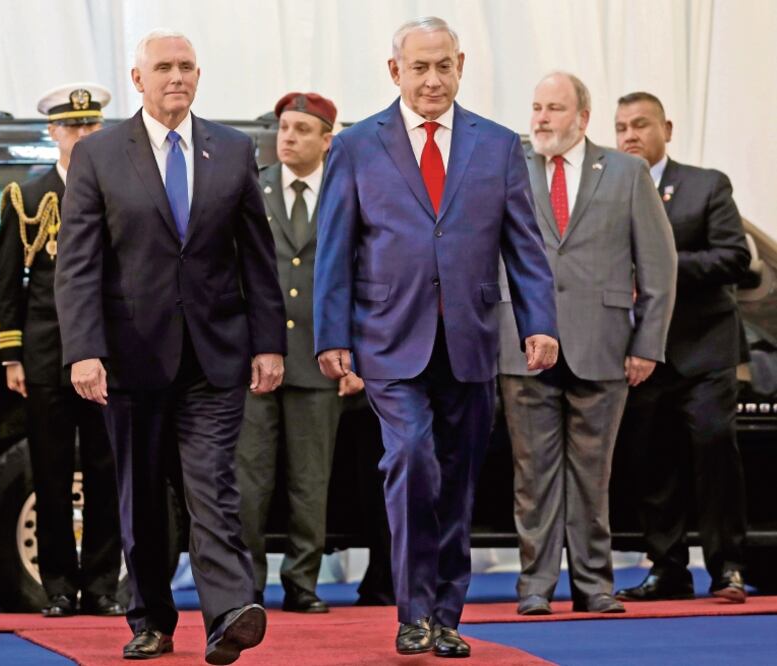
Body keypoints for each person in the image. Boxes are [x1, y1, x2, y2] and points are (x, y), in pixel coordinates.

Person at [313, 17, 559, 658]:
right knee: (411, 458)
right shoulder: (356, 146)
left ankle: (446, 616)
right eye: (418, 67)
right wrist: (331, 334)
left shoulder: (499, 146)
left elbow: (525, 249)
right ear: (395, 71)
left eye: (443, 65)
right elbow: (334, 250)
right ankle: (411, 609)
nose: (432, 79)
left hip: (471, 339)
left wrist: (539, 325)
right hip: (389, 339)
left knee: (458, 480)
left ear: (461, 65)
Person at [54, 30, 286, 664]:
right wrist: (83, 349)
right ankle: (151, 619)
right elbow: (77, 265)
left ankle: (228, 613)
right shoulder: (99, 154)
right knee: (142, 496)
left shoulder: (234, 150)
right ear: (138, 79)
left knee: (212, 484)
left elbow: (258, 259)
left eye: (186, 66)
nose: (176, 77)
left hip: (215, 355)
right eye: (163, 67)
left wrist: (269, 343)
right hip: (130, 357)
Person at [496, 73, 677, 617]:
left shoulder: (626, 171)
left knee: (594, 475)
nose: (542, 118)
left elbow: (659, 265)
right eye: (536, 107)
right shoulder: (508, 168)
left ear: (583, 116)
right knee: (531, 475)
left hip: (602, 345)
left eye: (554, 108)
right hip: (523, 344)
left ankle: (594, 583)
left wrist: (647, 343)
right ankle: (535, 585)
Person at [613, 91, 750, 603]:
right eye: (622, 126)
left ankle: (728, 567)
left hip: (703, 351)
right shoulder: (608, 190)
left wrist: (657, 272)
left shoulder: (705, 185)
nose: (630, 135)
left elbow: (733, 258)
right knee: (652, 464)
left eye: (641, 124)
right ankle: (667, 568)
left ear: (666, 130)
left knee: (714, 453)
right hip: (641, 353)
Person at [0, 83, 124, 618]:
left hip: (108, 357)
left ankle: (100, 585)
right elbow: (10, 284)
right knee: (49, 474)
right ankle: (57, 587)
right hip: (48, 357)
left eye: (92, 126)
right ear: (52, 132)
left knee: (106, 472)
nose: (82, 135)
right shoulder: (27, 197)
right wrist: (13, 355)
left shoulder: (121, 190)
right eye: (72, 126)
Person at [235, 91, 362, 614]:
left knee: (311, 482)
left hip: (317, 359)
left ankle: (303, 584)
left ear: (327, 140)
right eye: (284, 128)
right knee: (249, 482)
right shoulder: (253, 188)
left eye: (302, 130)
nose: (288, 137)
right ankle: (244, 586)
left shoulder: (343, 191)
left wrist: (355, 355)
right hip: (256, 361)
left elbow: (362, 275)